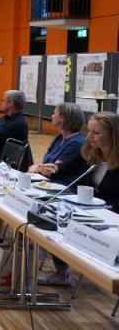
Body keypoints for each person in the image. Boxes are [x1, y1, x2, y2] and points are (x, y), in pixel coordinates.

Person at [0, 103, 87, 246]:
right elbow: (46, 165)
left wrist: (38, 167)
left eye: (54, 113)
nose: (51, 115)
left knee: (12, 192)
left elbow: (52, 169)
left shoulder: (76, 143)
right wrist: (39, 167)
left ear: (62, 118)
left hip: (62, 189)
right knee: (5, 188)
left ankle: (18, 239)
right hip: (46, 184)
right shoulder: (59, 138)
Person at [38, 112, 119, 286]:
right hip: (90, 210)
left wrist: (102, 207)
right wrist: (55, 168)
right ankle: (61, 273)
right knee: (58, 216)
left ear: (113, 134)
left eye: (96, 133)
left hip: (112, 215)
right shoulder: (90, 150)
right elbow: (69, 165)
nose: (89, 136)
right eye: (89, 131)